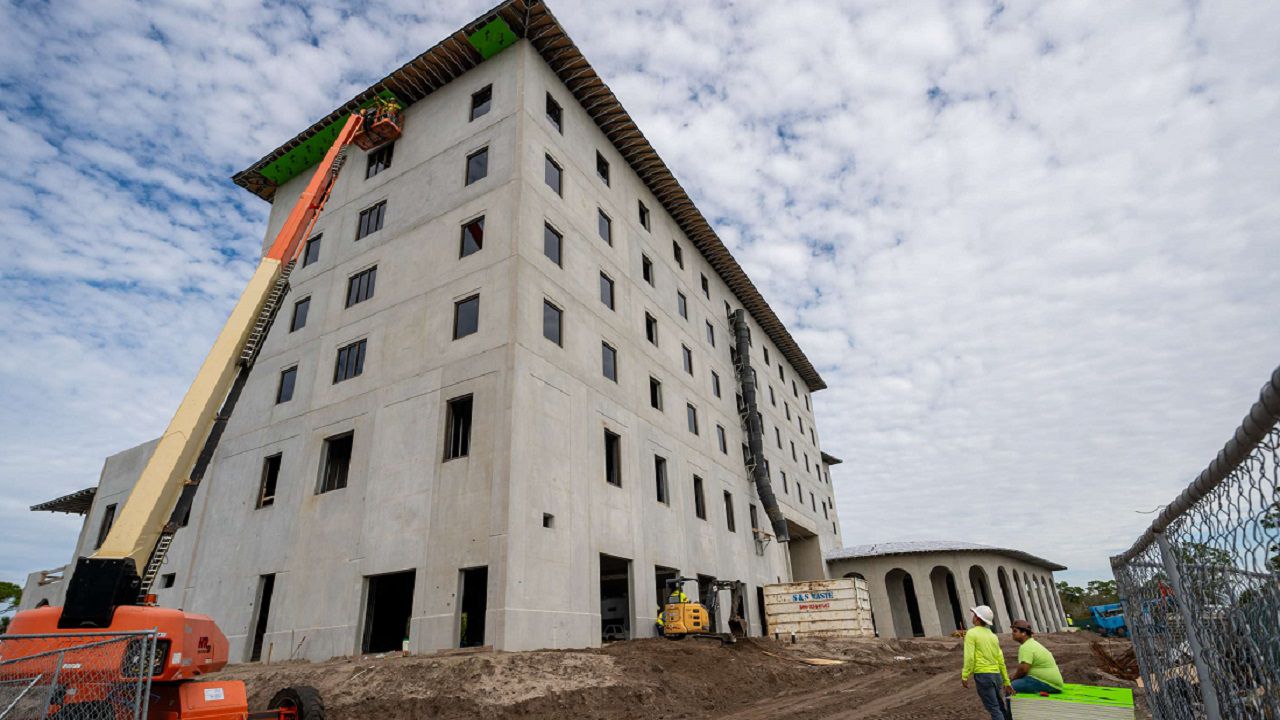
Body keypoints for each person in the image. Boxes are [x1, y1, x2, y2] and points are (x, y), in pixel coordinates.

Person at [961, 605, 1012, 720]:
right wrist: (1006, 680)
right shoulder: (993, 636)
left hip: (983, 676)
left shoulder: (971, 633)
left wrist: (965, 675)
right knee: (999, 705)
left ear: (978, 618)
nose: (973, 617)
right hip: (996, 676)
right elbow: (1000, 660)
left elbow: (969, 658)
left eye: (974, 615)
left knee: (994, 709)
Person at [1009, 619, 1064, 694]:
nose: (1012, 633)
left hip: (1047, 683)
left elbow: (1023, 670)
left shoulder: (1026, 647)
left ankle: (1008, 705)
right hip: (1049, 682)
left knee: (1010, 686)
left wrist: (1013, 680)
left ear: (1024, 633)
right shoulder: (1031, 643)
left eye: (1015, 631)